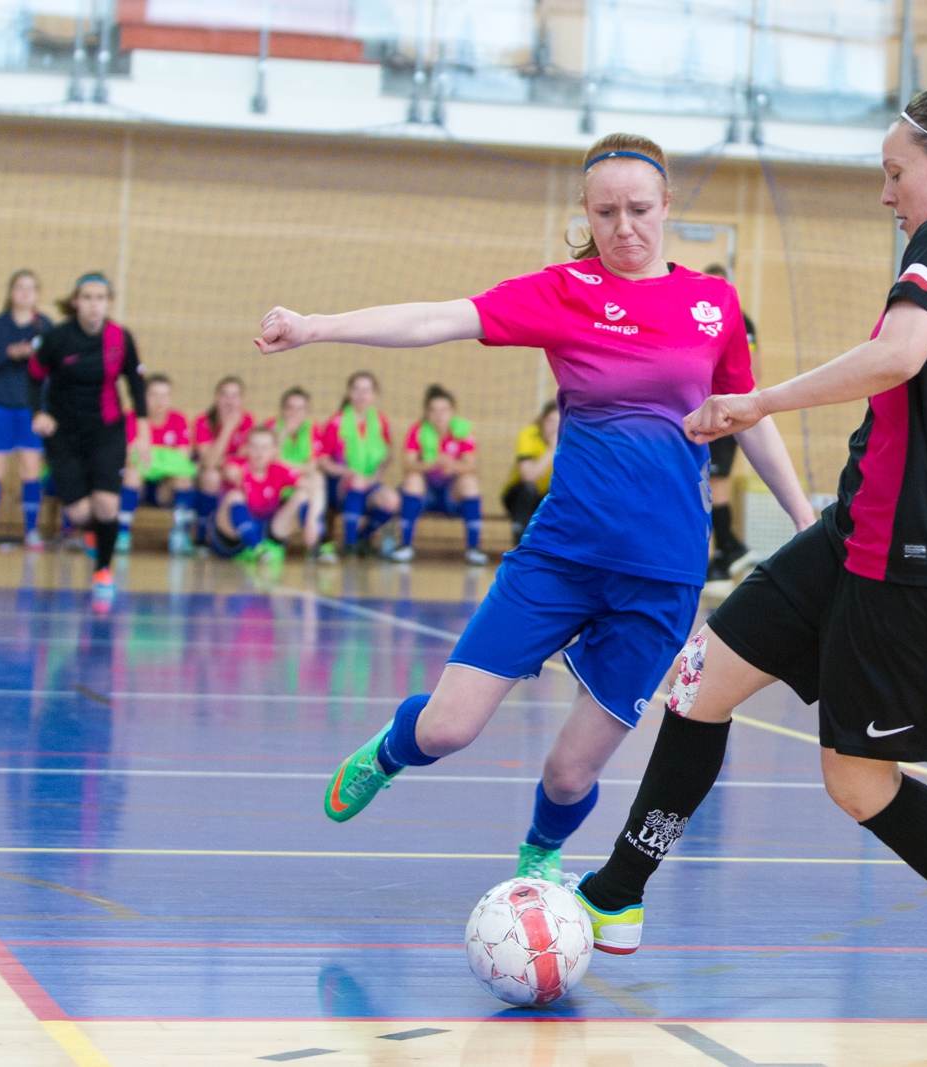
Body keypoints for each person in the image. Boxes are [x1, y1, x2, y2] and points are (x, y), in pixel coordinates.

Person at [565, 67, 927, 1030]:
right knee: (701, 677)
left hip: (906, 563)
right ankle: (617, 892)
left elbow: (900, 355)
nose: (886, 195)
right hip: (852, 534)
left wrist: (760, 399)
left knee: (856, 781)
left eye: (894, 173)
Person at [255, 131, 812, 885]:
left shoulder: (711, 302)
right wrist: (316, 327)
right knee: (447, 727)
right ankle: (391, 749)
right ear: (586, 211)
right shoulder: (564, 292)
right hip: (561, 557)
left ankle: (540, 854)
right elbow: (436, 319)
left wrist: (807, 523)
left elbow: (747, 414)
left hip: (663, 574)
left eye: (640, 210)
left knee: (569, 776)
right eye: (607, 212)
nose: (625, 227)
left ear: (667, 206)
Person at [28, 272, 149, 611]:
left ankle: (103, 571)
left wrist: (142, 433)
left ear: (108, 302)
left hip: (107, 430)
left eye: (100, 298)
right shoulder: (57, 338)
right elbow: (34, 378)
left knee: (107, 505)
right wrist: (38, 412)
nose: (94, 305)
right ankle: (93, 532)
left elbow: (136, 386)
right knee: (80, 511)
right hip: (63, 433)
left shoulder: (119, 338)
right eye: (87, 297)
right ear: (76, 302)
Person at [0, 270, 52, 550]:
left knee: (30, 467)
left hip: (32, 409)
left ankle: (31, 531)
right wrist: (10, 353)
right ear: (11, 292)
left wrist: (35, 356)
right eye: (20, 287)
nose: (25, 293)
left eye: (31, 288)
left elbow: (53, 364)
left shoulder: (44, 325)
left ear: (37, 294)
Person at [700, 264, 761, 582]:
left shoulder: (739, 319)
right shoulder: (699, 318)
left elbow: (753, 371)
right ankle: (726, 549)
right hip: (704, 414)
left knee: (715, 485)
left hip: (725, 414)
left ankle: (729, 550)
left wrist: (742, 409)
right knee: (703, 487)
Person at [393, 384, 488, 565]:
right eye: (434, 410)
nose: (439, 415)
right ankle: (405, 545)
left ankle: (474, 548)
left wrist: (452, 466)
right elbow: (407, 464)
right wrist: (432, 463)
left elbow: (472, 465)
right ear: (427, 412)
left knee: (470, 482)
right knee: (412, 479)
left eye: (444, 410)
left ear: (452, 411)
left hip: (450, 495)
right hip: (425, 495)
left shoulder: (463, 430)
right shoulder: (418, 430)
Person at [319, 371, 400, 557]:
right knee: (356, 481)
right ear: (349, 393)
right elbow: (323, 461)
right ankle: (350, 545)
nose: (362, 395)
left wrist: (374, 478)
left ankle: (363, 537)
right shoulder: (336, 422)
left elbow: (387, 456)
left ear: (374, 395)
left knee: (392, 500)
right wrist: (347, 472)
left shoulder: (380, 422)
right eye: (357, 389)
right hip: (338, 486)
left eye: (367, 390)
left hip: (369, 483)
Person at [118, 373, 197, 555]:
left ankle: (180, 534)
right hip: (138, 485)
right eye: (154, 395)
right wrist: (165, 457)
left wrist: (149, 454)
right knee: (132, 473)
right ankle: (122, 534)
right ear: (144, 397)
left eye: (165, 395)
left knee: (184, 478)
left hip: (163, 487)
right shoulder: (132, 417)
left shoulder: (178, 419)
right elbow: (130, 456)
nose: (160, 400)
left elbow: (182, 460)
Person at [209, 425, 308, 566]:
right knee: (234, 496)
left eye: (265, 448)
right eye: (254, 447)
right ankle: (257, 549)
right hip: (233, 541)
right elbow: (229, 470)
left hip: (268, 535)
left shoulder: (279, 470)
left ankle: (319, 544)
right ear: (247, 448)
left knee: (303, 495)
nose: (259, 452)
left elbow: (308, 486)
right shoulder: (237, 465)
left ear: (274, 450)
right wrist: (232, 474)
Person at [265, 386, 333, 563]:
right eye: (290, 408)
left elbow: (313, 466)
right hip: (276, 490)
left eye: (300, 408)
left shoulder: (312, 428)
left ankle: (312, 530)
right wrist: (283, 434)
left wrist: (287, 466)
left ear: (307, 411)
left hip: (301, 488)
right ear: (282, 409)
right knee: (313, 484)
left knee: (311, 485)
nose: (295, 413)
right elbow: (270, 464)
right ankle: (318, 537)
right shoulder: (271, 427)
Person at [194, 376, 253, 546]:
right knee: (211, 476)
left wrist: (223, 461)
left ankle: (239, 533)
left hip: (232, 472)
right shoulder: (203, 421)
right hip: (205, 476)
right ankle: (202, 532)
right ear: (216, 398)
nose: (230, 401)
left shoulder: (248, 421)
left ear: (242, 400)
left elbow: (246, 458)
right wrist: (228, 428)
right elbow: (209, 462)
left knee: (240, 474)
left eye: (235, 396)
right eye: (225, 395)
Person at [502, 401, 558, 547]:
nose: (554, 428)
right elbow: (528, 476)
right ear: (542, 421)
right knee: (528, 490)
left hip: (547, 495)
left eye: (559, 422)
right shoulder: (528, 435)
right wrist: (551, 450)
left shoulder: (570, 440)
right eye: (551, 421)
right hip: (518, 495)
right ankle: (519, 544)